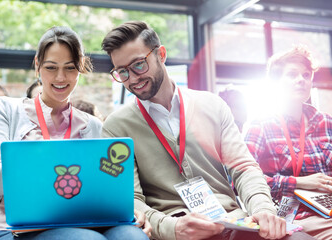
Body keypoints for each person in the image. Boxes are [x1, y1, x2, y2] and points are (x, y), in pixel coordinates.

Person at [101, 21, 314, 240]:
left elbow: (243, 167)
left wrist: (263, 210)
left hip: (232, 222)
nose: (133, 79)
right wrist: (171, 228)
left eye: (138, 65)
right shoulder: (116, 127)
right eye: (122, 72)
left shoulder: (212, 105)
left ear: (161, 54)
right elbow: (130, 199)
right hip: (174, 229)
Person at [0, 26, 151, 240]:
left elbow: (103, 187)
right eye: (51, 67)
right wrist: (48, 157)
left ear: (80, 69)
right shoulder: (5, 109)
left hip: (81, 219)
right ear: (37, 66)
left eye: (70, 68)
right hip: (11, 226)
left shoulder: (93, 126)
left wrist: (123, 208)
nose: (60, 77)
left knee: (132, 236)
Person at [244, 45, 332, 239]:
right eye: (292, 75)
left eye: (306, 75)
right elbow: (243, 181)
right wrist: (299, 183)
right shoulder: (261, 125)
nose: (301, 80)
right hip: (297, 217)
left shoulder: (326, 122)